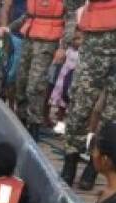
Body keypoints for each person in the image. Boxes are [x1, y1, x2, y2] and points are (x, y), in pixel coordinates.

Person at [61, 0, 116, 190]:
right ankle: (70, 159)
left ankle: (95, 166)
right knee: (80, 105)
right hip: (98, 38)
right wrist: (69, 31)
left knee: (115, 114)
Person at [10, 0, 75, 141]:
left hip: (47, 43)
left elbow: (71, 20)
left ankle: (34, 126)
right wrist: (9, 28)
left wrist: (63, 47)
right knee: (21, 83)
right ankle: (21, 122)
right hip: (29, 40)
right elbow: (28, 15)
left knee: (35, 86)